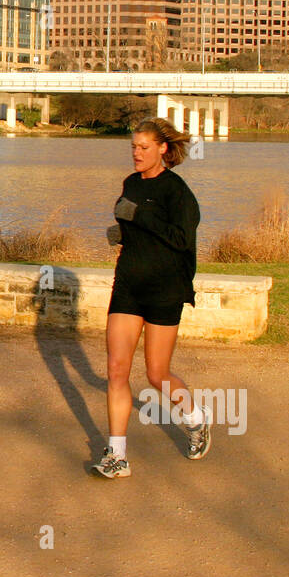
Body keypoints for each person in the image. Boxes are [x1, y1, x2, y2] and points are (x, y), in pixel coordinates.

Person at [92, 117, 207, 478]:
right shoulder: (130, 183)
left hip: (164, 288)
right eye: (133, 147)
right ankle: (117, 455)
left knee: (157, 374)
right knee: (116, 370)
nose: (137, 153)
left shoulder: (177, 192)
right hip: (128, 285)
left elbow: (180, 240)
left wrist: (139, 217)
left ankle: (196, 419)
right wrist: (121, 233)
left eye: (144, 147)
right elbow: (133, 226)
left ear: (163, 149)